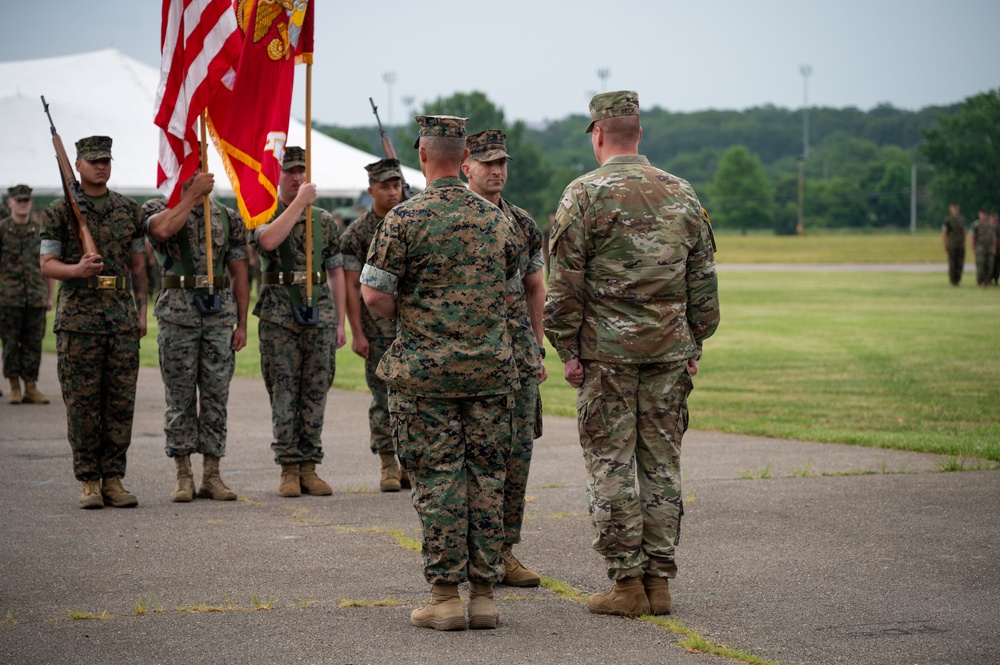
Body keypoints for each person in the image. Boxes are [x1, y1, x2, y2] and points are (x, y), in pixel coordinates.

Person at [544, 91, 720, 617]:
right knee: (662, 463)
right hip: (669, 352)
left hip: (607, 358)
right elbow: (702, 283)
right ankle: (658, 582)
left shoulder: (583, 194)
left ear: (598, 134)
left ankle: (627, 585)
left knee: (611, 462)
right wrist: (695, 340)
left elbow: (564, 288)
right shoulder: (681, 193)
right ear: (638, 133)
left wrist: (568, 350)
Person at [361, 115, 519, 631]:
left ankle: (446, 597)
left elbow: (375, 295)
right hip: (490, 373)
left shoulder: (403, 219)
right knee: (487, 478)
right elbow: (508, 285)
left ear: (423, 157)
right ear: (464, 158)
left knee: (438, 479)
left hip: (425, 376)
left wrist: (417, 316)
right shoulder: (498, 220)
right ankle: (486, 597)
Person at [40, 136, 148, 509]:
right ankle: (89, 480)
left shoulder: (128, 210)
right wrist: (77, 269)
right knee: (82, 403)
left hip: (120, 320)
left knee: (120, 403)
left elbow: (138, 267)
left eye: (106, 160)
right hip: (78, 321)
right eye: (94, 160)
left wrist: (141, 312)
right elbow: (46, 264)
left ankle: (114, 478)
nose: (101, 166)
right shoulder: (59, 211)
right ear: (78, 164)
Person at [461, 129, 546, 587]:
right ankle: (472, 557)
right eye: (487, 163)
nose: (497, 171)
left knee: (516, 457)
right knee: (474, 459)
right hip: (472, 359)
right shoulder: (454, 219)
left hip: (517, 358)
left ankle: (504, 551)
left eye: (502, 163)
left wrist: (536, 344)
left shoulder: (524, 223)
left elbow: (535, 286)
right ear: (465, 166)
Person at [142, 170, 249, 503]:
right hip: (178, 316)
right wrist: (191, 196)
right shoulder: (158, 207)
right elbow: (161, 230)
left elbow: (239, 273)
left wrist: (242, 323)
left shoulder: (228, 217)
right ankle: (183, 474)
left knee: (216, 397)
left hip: (219, 318)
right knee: (180, 397)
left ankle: (212, 475)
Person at [251, 146, 346, 497]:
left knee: (315, 392)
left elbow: (336, 273)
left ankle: (310, 466)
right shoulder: (262, 213)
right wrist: (297, 204)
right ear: (276, 176)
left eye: (301, 170)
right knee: (284, 392)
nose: (295, 177)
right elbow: (268, 240)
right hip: (279, 317)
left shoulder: (323, 220)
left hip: (319, 315)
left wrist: (339, 322)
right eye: (288, 171)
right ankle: (288, 467)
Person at [340, 158, 407, 492]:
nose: (392, 192)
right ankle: (387, 462)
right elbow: (353, 287)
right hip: (376, 330)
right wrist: (357, 333)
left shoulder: (412, 219)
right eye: (385, 187)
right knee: (382, 399)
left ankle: (409, 462)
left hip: (412, 329)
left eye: (396, 185)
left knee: (415, 399)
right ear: (371, 191)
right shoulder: (357, 234)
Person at [1, 184, 54, 404]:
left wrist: (50, 296)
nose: (23, 204)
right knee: (11, 344)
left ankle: (30, 387)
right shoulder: (2, 230)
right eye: (18, 200)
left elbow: (49, 265)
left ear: (31, 203)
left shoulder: (41, 230)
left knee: (33, 343)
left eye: (26, 201)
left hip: (35, 297)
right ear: (10, 203)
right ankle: (14, 386)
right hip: (8, 298)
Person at [969, 207, 996, 287]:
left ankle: (987, 281)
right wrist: (973, 249)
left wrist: (993, 248)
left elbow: (993, 238)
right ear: (979, 214)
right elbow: (972, 237)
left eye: (985, 215)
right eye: (982, 214)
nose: (984, 216)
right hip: (980, 248)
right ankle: (980, 281)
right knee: (981, 266)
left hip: (989, 248)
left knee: (989, 266)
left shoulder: (990, 225)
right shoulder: (975, 225)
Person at [942, 203, 967, 286]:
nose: (955, 210)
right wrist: (945, 244)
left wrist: (964, 243)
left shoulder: (962, 219)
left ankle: (958, 279)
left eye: (957, 209)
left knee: (960, 263)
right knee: (952, 264)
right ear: (950, 209)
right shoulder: (948, 220)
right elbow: (945, 233)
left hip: (960, 245)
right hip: (952, 245)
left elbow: (964, 232)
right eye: (954, 209)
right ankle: (953, 280)